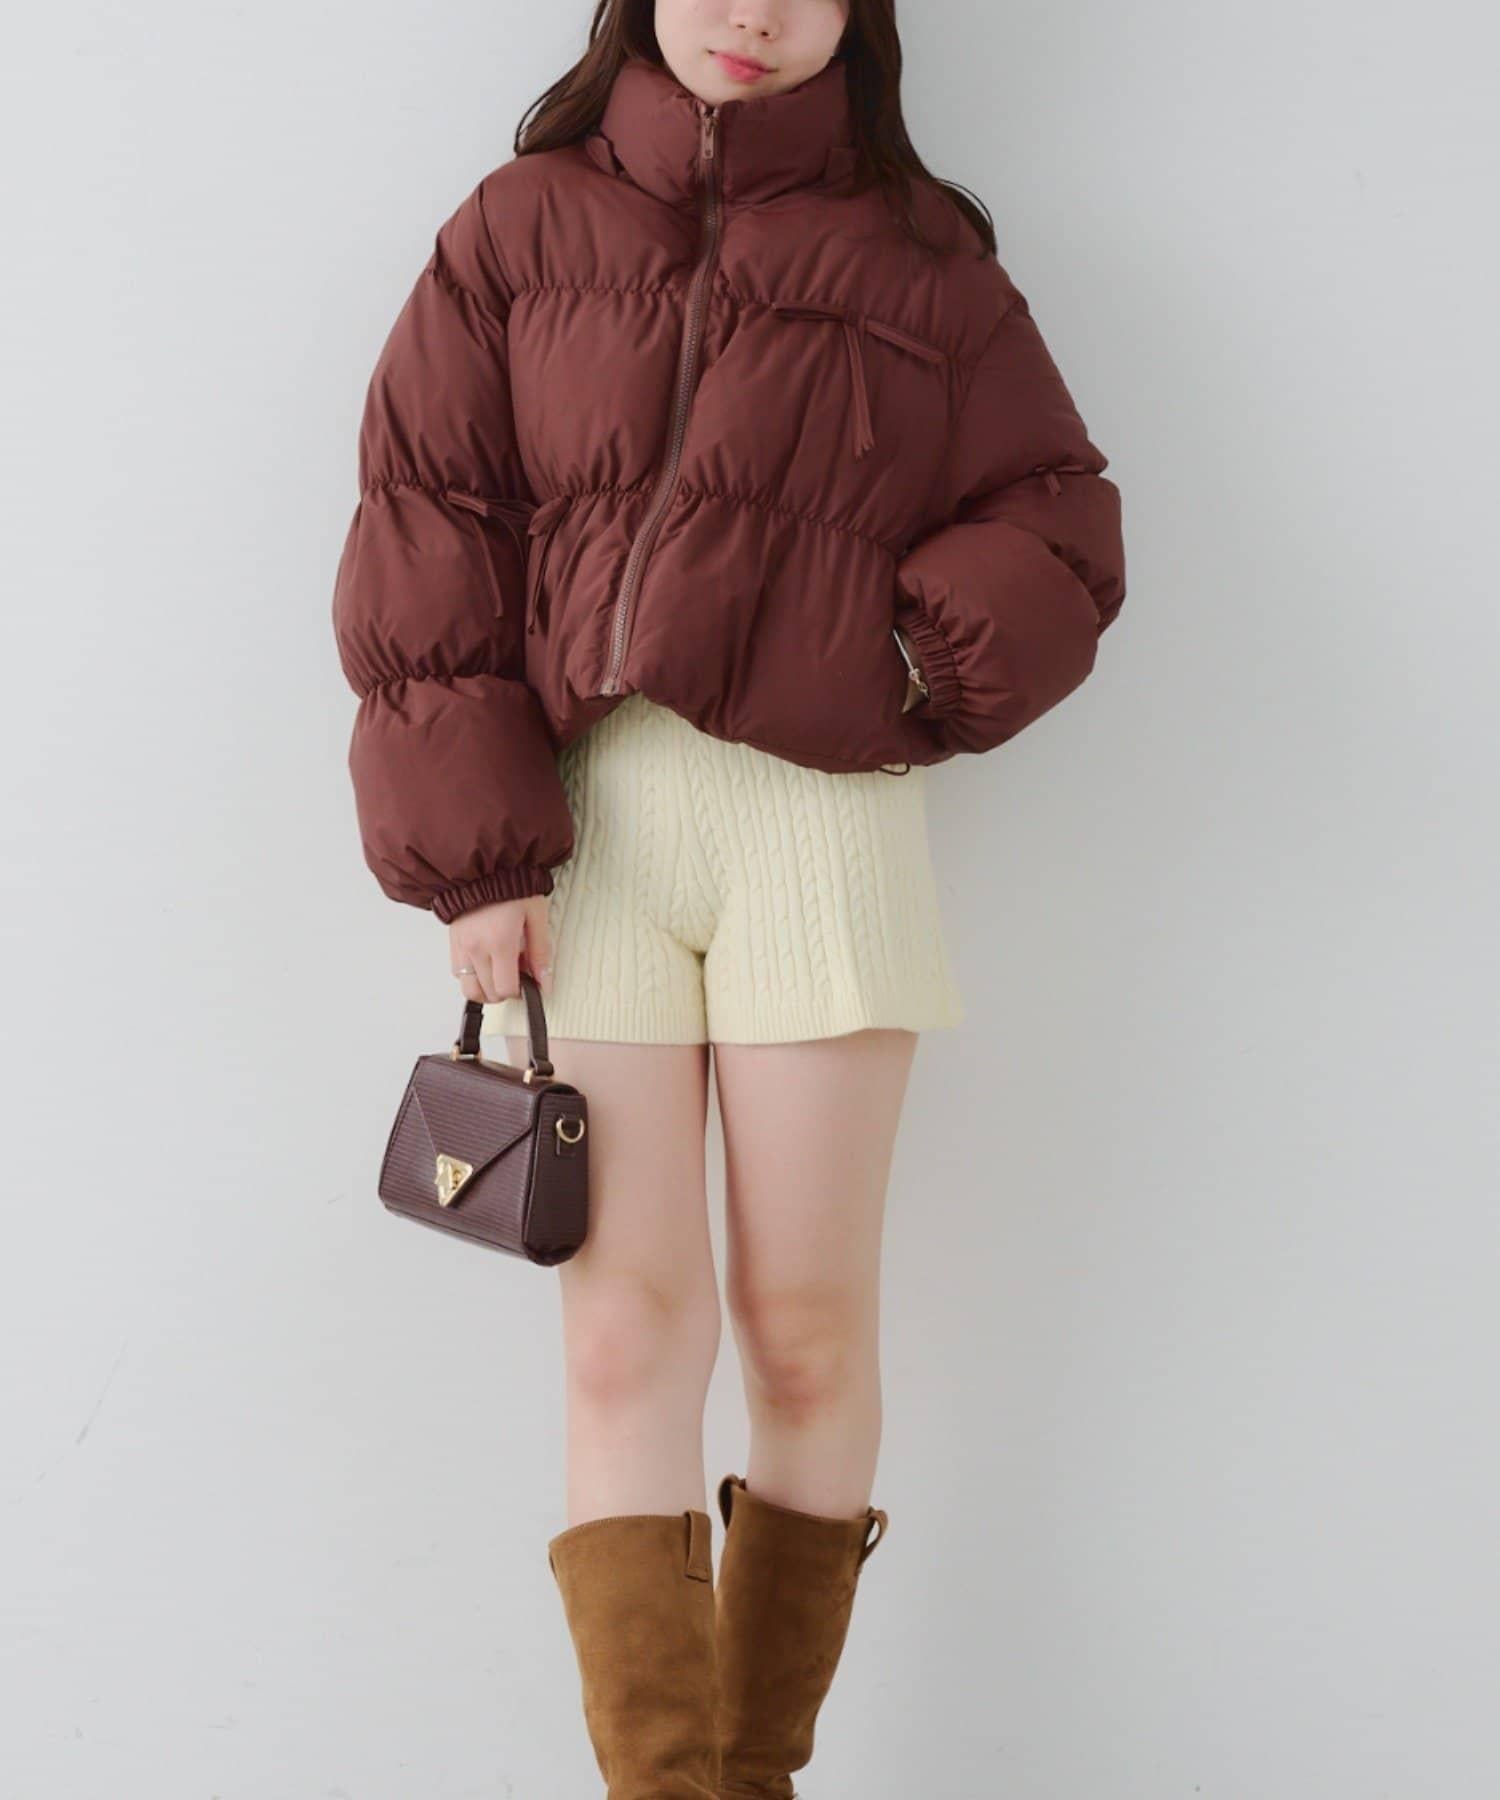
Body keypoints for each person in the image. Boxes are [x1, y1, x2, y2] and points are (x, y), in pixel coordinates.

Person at [331, 0, 1126, 1791]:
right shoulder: (517, 230)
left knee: (807, 1332)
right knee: (626, 1329)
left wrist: (899, 663)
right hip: (588, 836)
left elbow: (1063, 520)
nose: (753, 12)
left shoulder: (922, 254)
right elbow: (426, 516)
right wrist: (474, 857)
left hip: (819, 835)